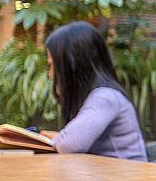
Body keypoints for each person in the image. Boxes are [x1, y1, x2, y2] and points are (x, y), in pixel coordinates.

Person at [42, 21, 147, 161]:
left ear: (73, 66)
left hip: (123, 179)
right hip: (107, 176)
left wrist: (57, 138)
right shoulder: (97, 96)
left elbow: (71, 145)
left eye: (52, 65)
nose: (50, 74)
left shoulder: (105, 97)